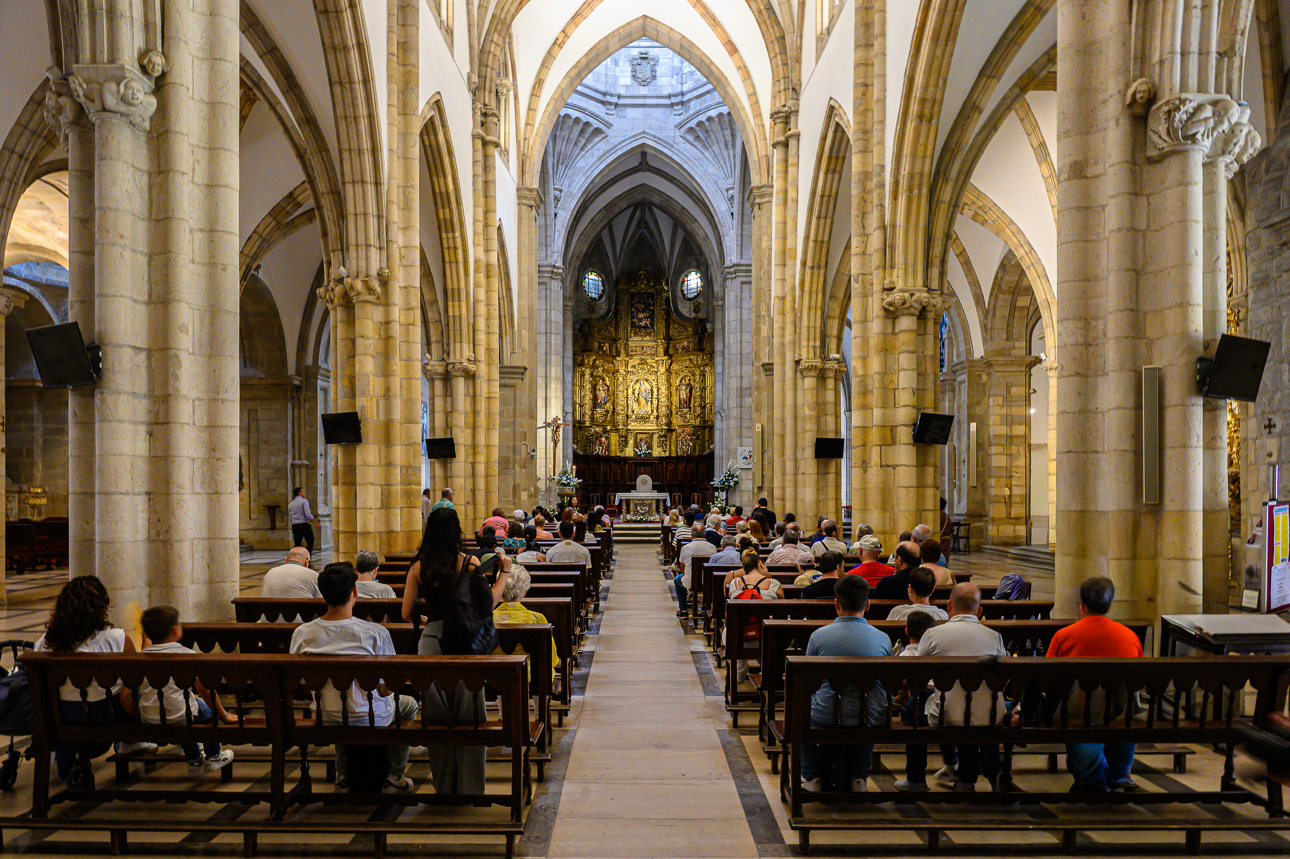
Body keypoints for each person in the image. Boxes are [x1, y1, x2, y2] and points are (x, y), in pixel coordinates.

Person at [400, 507, 508, 794]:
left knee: (435, 717)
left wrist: (431, 620)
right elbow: (488, 604)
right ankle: (470, 787)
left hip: (431, 642)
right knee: (470, 714)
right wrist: (505, 573)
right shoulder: (469, 563)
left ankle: (444, 785)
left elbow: (405, 613)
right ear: (456, 532)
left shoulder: (418, 566)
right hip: (463, 642)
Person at [292, 564, 419, 793]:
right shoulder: (375, 633)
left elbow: (303, 687)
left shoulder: (302, 633)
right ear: (354, 592)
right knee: (408, 705)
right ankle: (395, 776)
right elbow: (387, 688)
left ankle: (344, 777)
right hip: (370, 716)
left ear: (323, 595)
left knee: (337, 703)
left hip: (325, 716)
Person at [897, 584, 1007, 793]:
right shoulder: (995, 636)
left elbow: (917, 675)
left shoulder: (933, 634)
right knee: (972, 706)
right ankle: (967, 780)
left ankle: (916, 778)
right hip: (988, 715)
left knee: (915, 707)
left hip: (948, 715)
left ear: (949, 606)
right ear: (979, 610)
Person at [34, 576, 144, 782]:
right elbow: (133, 682)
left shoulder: (44, 642)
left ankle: (69, 762)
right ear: (101, 607)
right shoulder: (118, 638)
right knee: (133, 686)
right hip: (107, 715)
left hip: (62, 716)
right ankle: (131, 741)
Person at [1046, 576, 1144, 792]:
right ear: (1109, 606)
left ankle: (1092, 776)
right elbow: (1137, 681)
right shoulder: (1130, 637)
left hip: (1079, 713)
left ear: (1081, 607)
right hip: (1120, 713)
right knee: (1126, 702)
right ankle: (1119, 774)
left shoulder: (1063, 636)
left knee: (1079, 706)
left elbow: (1048, 678)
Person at [800, 575, 891, 794]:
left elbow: (808, 679)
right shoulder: (883, 638)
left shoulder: (818, 636)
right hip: (870, 715)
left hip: (827, 713)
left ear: (836, 604)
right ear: (867, 605)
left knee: (800, 711)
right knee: (870, 706)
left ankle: (812, 776)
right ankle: (858, 776)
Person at [137, 605, 235, 772]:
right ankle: (214, 755)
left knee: (183, 707)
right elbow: (206, 691)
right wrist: (223, 714)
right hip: (181, 715)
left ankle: (195, 759)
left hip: (149, 717)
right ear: (175, 630)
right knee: (202, 710)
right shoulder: (187, 655)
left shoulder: (140, 657)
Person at [491, 568, 560, 681]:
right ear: (525, 592)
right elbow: (551, 658)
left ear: (501, 590)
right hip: (531, 678)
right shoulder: (537, 619)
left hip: (495, 677)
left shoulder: (488, 619)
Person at [673, 523, 716, 617]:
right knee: (708, 580)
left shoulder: (685, 548)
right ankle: (705, 607)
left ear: (692, 535)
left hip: (690, 582)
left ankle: (683, 610)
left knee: (677, 579)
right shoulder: (712, 547)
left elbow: (682, 568)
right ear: (704, 534)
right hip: (707, 582)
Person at [288, 487, 318, 553]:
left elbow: (290, 516)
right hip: (303, 524)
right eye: (303, 492)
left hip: (295, 525)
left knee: (297, 544)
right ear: (299, 493)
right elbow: (308, 514)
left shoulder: (291, 504)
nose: (304, 493)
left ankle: (296, 557)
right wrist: (315, 522)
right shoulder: (304, 501)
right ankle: (307, 556)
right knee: (310, 541)